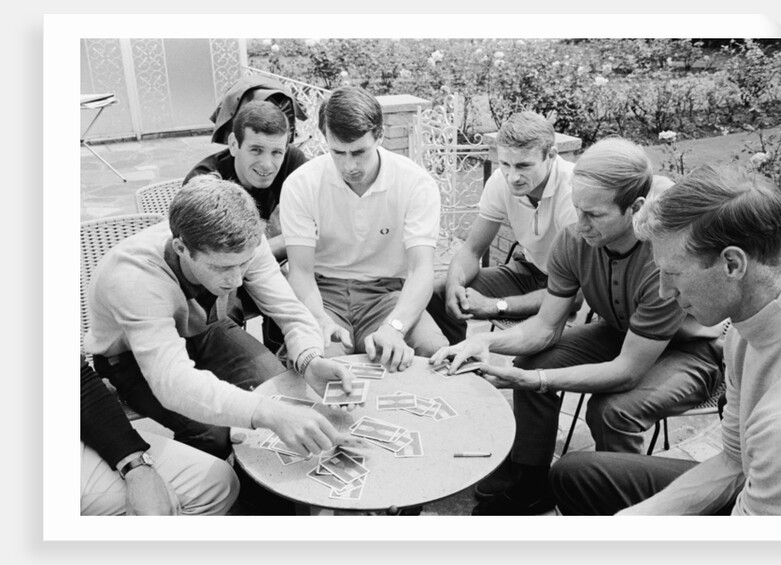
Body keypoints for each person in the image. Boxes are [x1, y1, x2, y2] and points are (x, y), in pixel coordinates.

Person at [430, 137, 724, 515]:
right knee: (533, 361)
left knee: (613, 410)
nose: (580, 224)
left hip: (690, 352)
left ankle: (615, 505)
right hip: (620, 332)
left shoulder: (659, 259)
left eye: (594, 215)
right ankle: (531, 481)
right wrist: (484, 344)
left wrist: (537, 381)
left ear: (635, 208)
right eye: (577, 208)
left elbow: (626, 371)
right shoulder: (574, 239)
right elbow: (545, 327)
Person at [550, 164, 781, 516]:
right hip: (755, 486)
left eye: (672, 273)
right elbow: (733, 462)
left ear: (732, 264)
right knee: (576, 475)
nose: (665, 292)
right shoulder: (744, 329)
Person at [85, 175, 359, 462]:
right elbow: (172, 383)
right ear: (181, 249)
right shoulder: (134, 277)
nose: (237, 280)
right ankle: (211, 480)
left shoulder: (246, 243)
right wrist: (265, 412)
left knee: (281, 390)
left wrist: (309, 359)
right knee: (213, 432)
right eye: (222, 268)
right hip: (129, 357)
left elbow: (290, 310)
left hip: (206, 329)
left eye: (244, 264)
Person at [280, 86, 448, 372]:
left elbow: (421, 269)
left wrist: (394, 327)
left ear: (379, 136)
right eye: (338, 152)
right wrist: (320, 320)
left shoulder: (416, 183)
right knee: (316, 362)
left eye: (359, 152)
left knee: (432, 353)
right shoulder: (301, 184)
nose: (349, 165)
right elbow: (301, 272)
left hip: (387, 294)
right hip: (323, 293)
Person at [426, 111, 579, 345]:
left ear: (551, 155)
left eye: (524, 165)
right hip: (528, 272)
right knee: (440, 292)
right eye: (505, 164)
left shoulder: (574, 192)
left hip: (565, 286)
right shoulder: (500, 181)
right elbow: (471, 250)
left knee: (532, 355)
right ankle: (457, 358)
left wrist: (495, 305)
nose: (512, 177)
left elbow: (576, 296)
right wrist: (455, 284)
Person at [185, 101, 309, 354]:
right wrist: (286, 241)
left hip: (263, 267)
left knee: (300, 290)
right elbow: (221, 257)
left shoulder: (292, 161)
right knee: (224, 315)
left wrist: (284, 245)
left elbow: (315, 226)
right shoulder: (205, 182)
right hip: (218, 273)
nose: (267, 164)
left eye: (276, 152)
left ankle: (284, 358)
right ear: (233, 144)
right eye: (256, 150)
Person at [81, 355, 239, 516]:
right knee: (211, 434)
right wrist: (136, 469)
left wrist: (135, 465)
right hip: (135, 359)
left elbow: (81, 378)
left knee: (219, 478)